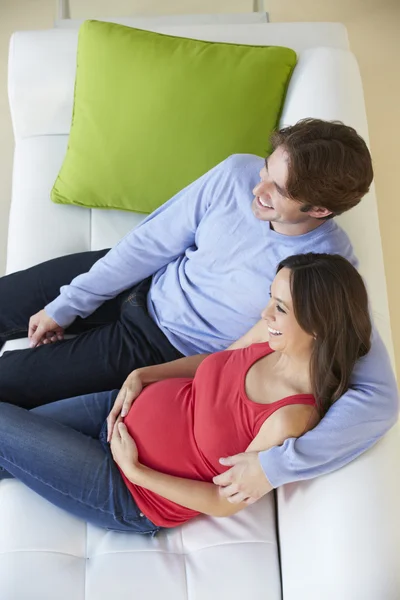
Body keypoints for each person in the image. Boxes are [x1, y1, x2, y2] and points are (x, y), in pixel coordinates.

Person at [0, 119, 397, 505]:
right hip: (146, 279)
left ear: (320, 210)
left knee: (10, 382)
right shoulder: (237, 174)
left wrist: (275, 467)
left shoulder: (327, 272)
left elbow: (380, 398)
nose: (258, 188)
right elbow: (150, 244)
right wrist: (69, 303)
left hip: (159, 345)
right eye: (266, 168)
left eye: (279, 189)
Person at [0, 254, 372, 532]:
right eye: (271, 298)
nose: (265, 313)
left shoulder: (290, 416)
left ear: (319, 327)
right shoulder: (269, 338)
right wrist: (143, 375)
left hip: (126, 486)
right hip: (114, 410)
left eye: (280, 308)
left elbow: (224, 503)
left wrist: (135, 470)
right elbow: (215, 361)